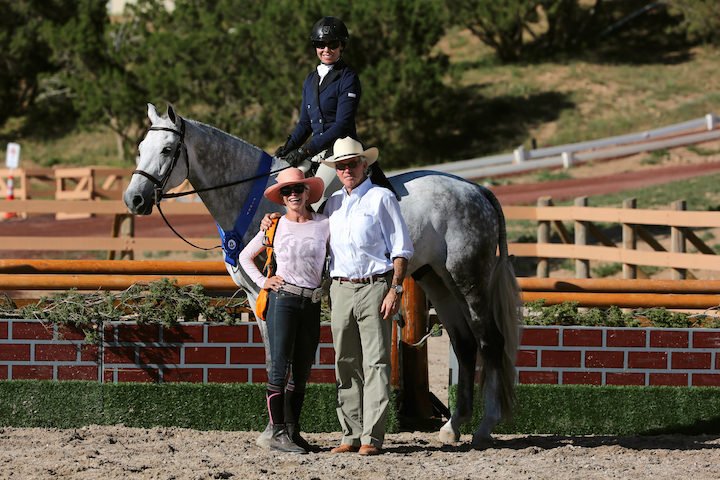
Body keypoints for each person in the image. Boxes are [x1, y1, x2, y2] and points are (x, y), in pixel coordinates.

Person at [264, 136, 413, 455]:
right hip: (341, 289)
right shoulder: (332, 204)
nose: (346, 169)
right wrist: (273, 222)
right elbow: (303, 224)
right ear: (337, 169)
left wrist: (396, 289)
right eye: (341, 165)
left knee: (375, 362)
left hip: (375, 286)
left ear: (364, 165)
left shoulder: (382, 198)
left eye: (352, 164)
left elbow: (401, 249)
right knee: (345, 362)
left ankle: (371, 438)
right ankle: (350, 433)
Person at [238, 168, 329, 454]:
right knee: (279, 368)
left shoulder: (325, 223)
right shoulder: (274, 225)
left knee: (302, 369)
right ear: (281, 197)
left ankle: (292, 430)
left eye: (297, 190)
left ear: (307, 193)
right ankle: (277, 432)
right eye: (286, 192)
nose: (293, 195)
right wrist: (263, 281)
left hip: (311, 302)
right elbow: (244, 256)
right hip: (282, 299)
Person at [274, 16, 395, 208]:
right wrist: (288, 147)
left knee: (313, 198)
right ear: (315, 46)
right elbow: (305, 123)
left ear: (342, 46)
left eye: (333, 44)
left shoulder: (348, 78)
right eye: (320, 44)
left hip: (341, 151)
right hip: (317, 152)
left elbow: (342, 125)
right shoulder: (310, 80)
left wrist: (305, 150)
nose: (326, 50)